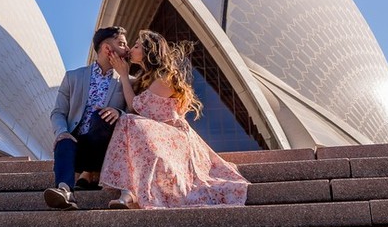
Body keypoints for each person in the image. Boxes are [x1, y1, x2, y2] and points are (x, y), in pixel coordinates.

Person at [99, 29, 249, 209]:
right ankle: (128, 191)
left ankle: (130, 192)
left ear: (149, 51)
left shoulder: (166, 78)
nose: (132, 48)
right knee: (128, 122)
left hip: (174, 135)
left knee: (129, 120)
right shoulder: (143, 79)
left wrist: (123, 75)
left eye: (137, 46)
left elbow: (136, 107)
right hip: (157, 136)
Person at [44, 26, 130, 210]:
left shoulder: (128, 81)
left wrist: (120, 113)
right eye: (122, 44)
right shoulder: (73, 77)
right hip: (79, 148)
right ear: (107, 49)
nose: (127, 49)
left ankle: (92, 173)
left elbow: (136, 113)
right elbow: (58, 112)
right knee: (65, 140)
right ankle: (65, 192)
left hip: (106, 150)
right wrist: (62, 132)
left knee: (101, 116)